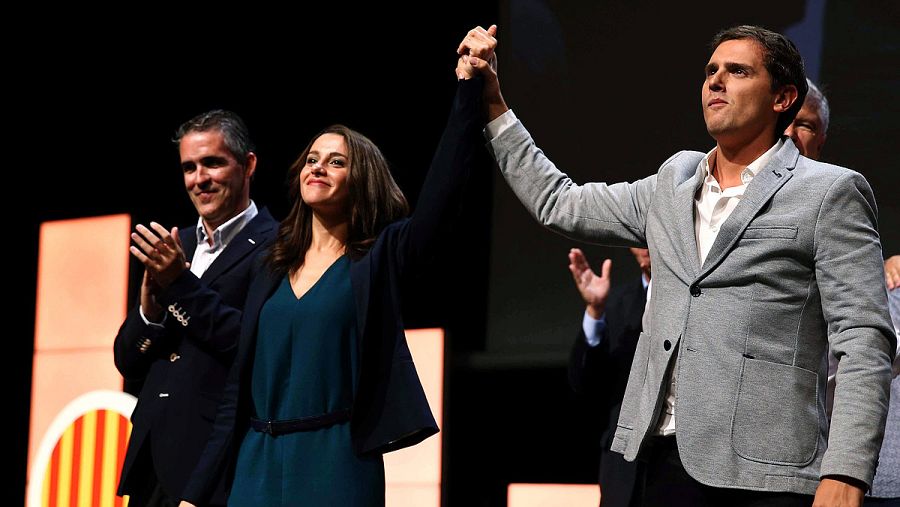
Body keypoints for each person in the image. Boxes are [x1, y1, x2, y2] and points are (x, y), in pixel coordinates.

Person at [461, 24, 895, 505]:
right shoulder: (673, 183)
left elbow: (863, 339)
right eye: (711, 70)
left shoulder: (829, 191)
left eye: (738, 71)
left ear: (782, 97)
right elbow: (557, 201)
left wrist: (848, 471)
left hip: (765, 475)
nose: (715, 81)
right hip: (661, 463)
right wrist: (496, 107)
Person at [178, 60, 485, 506]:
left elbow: (443, 194)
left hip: (335, 464)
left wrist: (468, 93)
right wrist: (197, 492)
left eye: (336, 162)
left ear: (360, 180)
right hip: (256, 463)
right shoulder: (271, 263)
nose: (317, 168)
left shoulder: (377, 257)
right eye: (312, 159)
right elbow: (235, 394)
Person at [114, 110, 278, 506]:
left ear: (249, 164)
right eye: (189, 167)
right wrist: (149, 312)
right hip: (150, 458)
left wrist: (180, 285)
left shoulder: (279, 246)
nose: (199, 179)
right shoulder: (177, 244)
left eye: (213, 163)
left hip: (217, 467)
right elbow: (127, 362)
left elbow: (254, 345)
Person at [567, 247, 649, 507]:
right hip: (623, 473)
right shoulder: (615, 303)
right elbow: (583, 383)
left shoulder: (699, 299)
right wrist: (595, 311)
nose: (645, 241)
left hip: (682, 469)